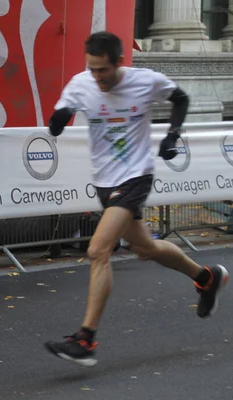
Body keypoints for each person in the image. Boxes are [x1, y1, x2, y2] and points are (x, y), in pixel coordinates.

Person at [43, 31, 229, 367]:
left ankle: (86, 339)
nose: (97, 77)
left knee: (98, 250)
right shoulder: (80, 83)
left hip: (135, 176)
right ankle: (207, 277)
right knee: (146, 248)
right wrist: (56, 122)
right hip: (104, 180)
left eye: (103, 70)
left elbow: (181, 99)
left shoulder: (145, 81)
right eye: (92, 69)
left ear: (118, 62)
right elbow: (60, 118)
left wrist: (172, 134)